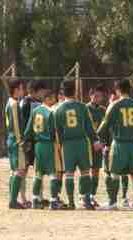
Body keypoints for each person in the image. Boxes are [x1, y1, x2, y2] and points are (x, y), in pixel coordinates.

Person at [53, 80, 102, 210]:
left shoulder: (58, 109)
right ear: (75, 91)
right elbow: (89, 126)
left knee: (69, 174)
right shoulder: (82, 107)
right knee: (85, 172)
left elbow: (57, 131)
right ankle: (86, 200)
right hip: (82, 143)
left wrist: (59, 146)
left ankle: (71, 202)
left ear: (63, 92)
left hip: (67, 144)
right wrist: (95, 140)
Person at [97, 79, 133, 210]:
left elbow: (105, 124)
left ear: (118, 90)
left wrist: (97, 137)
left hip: (119, 144)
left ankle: (112, 203)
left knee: (114, 173)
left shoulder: (114, 105)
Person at [23, 87, 63, 210]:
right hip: (49, 145)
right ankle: (53, 201)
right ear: (48, 99)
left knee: (38, 173)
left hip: (38, 145)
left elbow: (29, 128)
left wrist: (26, 140)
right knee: (53, 173)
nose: (55, 101)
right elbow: (54, 131)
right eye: (53, 98)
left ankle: (35, 199)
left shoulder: (35, 111)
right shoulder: (51, 112)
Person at [19, 80, 48, 207]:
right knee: (23, 169)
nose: (44, 94)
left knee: (39, 169)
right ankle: (23, 198)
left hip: (37, 141)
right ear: (36, 91)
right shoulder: (25, 103)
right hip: (28, 141)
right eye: (42, 91)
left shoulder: (41, 103)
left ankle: (39, 196)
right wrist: (26, 140)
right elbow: (25, 124)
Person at [5, 79, 27, 209]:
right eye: (21, 88)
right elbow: (16, 125)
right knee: (19, 170)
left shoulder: (9, 102)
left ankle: (12, 199)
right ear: (16, 90)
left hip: (11, 139)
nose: (23, 91)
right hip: (15, 139)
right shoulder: (14, 104)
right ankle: (13, 201)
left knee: (14, 171)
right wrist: (20, 141)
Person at [86, 85, 106, 206]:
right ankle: (84, 195)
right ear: (91, 95)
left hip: (99, 145)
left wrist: (103, 143)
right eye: (96, 96)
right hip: (87, 144)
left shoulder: (103, 110)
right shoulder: (85, 109)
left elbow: (106, 128)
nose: (99, 98)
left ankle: (92, 195)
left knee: (96, 171)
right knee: (85, 170)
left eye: (101, 96)